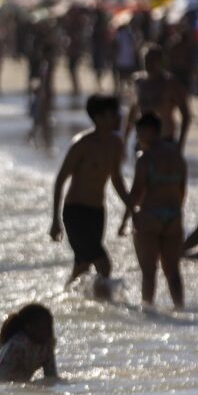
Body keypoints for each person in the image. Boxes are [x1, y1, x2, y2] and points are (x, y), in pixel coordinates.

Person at [50, 95, 131, 295]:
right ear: (99, 117)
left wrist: (131, 206)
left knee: (82, 265)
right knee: (104, 264)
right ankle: (106, 304)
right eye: (113, 114)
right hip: (75, 212)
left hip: (97, 212)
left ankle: (66, 299)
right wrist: (55, 220)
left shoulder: (116, 143)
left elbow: (116, 178)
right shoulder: (82, 144)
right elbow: (61, 179)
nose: (118, 118)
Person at [124, 112, 186, 309]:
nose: (137, 137)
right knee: (173, 272)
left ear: (150, 131)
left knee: (149, 273)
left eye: (139, 132)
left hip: (150, 216)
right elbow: (182, 190)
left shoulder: (145, 158)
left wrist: (127, 218)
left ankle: (148, 313)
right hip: (174, 217)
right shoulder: (177, 155)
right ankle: (180, 309)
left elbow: (136, 193)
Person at [0, 304, 57, 383]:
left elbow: (51, 377)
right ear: (29, 327)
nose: (49, 331)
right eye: (43, 327)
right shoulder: (17, 346)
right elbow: (1, 378)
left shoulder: (47, 347)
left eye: (49, 326)